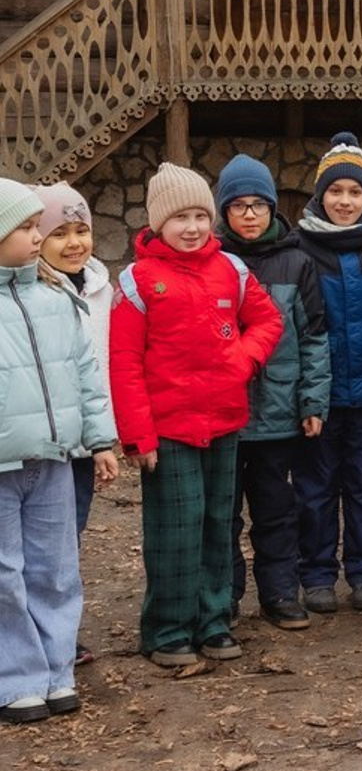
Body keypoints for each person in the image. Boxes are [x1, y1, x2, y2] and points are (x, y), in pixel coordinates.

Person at [111, 163, 282, 667]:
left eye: (200, 217)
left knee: (216, 524)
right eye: (180, 218)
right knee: (175, 530)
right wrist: (137, 435)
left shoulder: (232, 269)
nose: (191, 228)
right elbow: (123, 362)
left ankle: (213, 620)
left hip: (224, 421)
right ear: (158, 224)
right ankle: (167, 629)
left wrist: (246, 357)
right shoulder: (139, 281)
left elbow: (267, 320)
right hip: (168, 429)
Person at [0, 180, 117, 723]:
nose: (35, 237)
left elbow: (87, 378)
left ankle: (56, 671)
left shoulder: (57, 299)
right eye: (25, 229)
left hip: (53, 460)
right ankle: (17, 676)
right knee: (6, 573)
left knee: (56, 569)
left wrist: (100, 441)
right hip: (2, 466)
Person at [215, 155, 330, 632]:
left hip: (280, 412)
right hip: (223, 415)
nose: (248, 214)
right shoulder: (212, 259)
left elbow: (315, 338)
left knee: (277, 512)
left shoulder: (296, 261)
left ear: (272, 208)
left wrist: (313, 401)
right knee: (222, 516)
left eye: (258, 204)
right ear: (224, 211)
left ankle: (280, 593)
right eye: (238, 205)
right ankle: (224, 598)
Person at [294, 133, 362, 614]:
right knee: (316, 488)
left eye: (354, 192)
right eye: (336, 192)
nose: (344, 201)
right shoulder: (301, 246)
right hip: (320, 390)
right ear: (321, 195)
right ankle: (317, 575)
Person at [33, 182, 114, 666]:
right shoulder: (33, 291)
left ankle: (60, 632)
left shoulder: (101, 288)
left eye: (81, 230)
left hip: (87, 440)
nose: (74, 243)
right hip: (44, 440)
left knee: (69, 541)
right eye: (58, 233)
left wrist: (105, 433)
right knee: (37, 545)